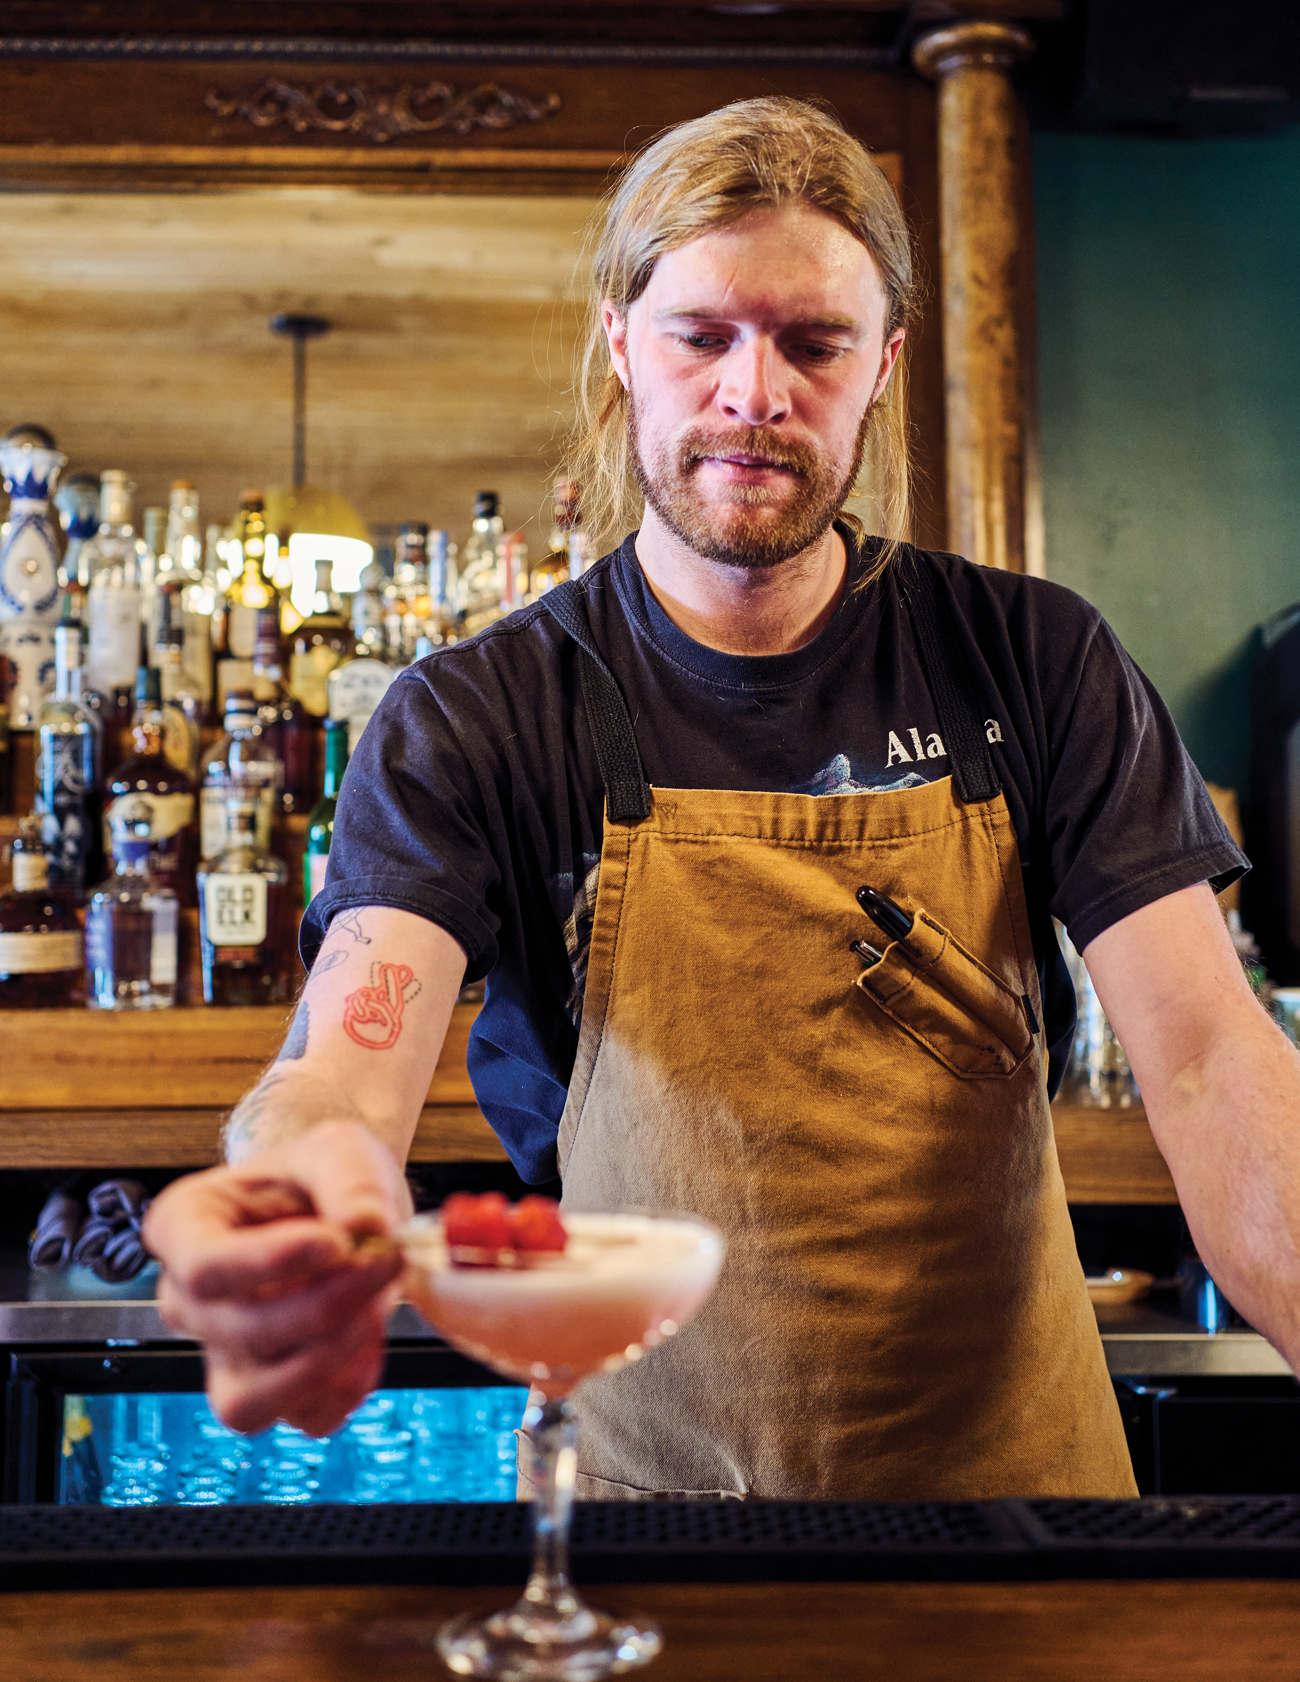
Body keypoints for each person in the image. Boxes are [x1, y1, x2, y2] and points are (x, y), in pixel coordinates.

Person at [147, 97, 1293, 1501]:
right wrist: (304, 1193)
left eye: (813, 341)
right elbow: (346, 1064)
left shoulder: (1034, 660)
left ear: (884, 364)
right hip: (648, 1539)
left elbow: (1207, 1061)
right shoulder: (474, 717)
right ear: (623, 343)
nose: (755, 390)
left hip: (1016, 1524)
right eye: (702, 335)